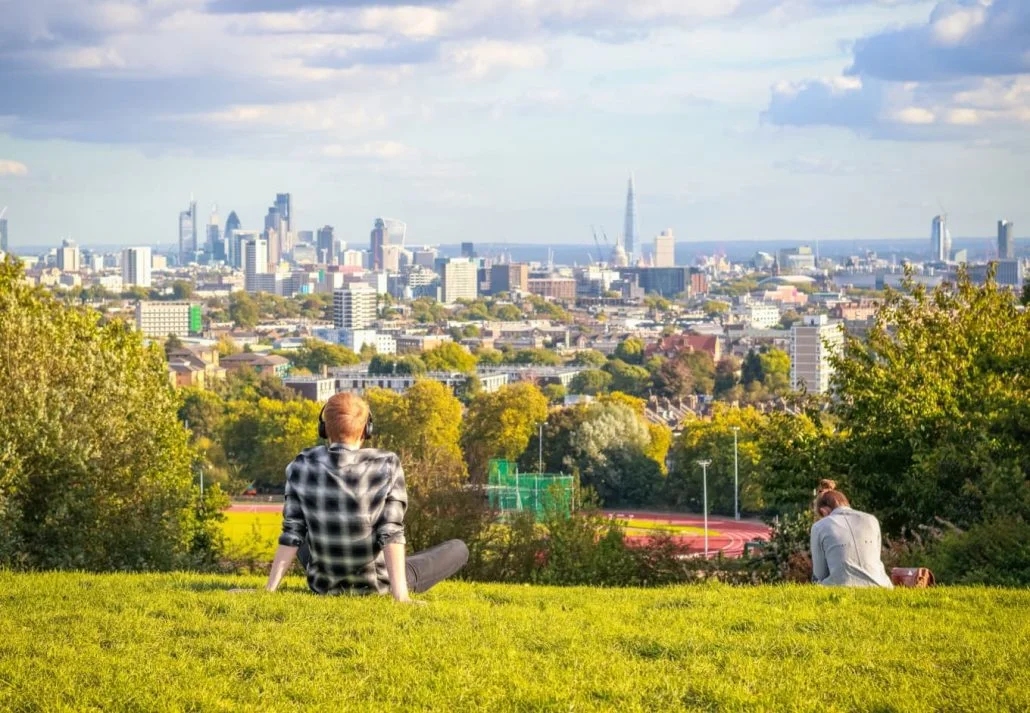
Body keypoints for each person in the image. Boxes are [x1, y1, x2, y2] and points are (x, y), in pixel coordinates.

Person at [264, 392, 468, 602]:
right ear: (366, 430)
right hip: (376, 585)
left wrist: (269, 589)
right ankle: (397, 582)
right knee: (458, 548)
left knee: (302, 531)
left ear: (324, 429)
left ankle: (296, 579)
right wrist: (401, 597)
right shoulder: (386, 464)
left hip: (324, 585)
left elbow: (293, 532)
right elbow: (391, 533)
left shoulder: (302, 463)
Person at [810, 482, 893, 588]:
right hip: (881, 585)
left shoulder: (819, 527)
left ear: (824, 511)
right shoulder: (872, 520)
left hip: (841, 586)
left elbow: (819, 574)